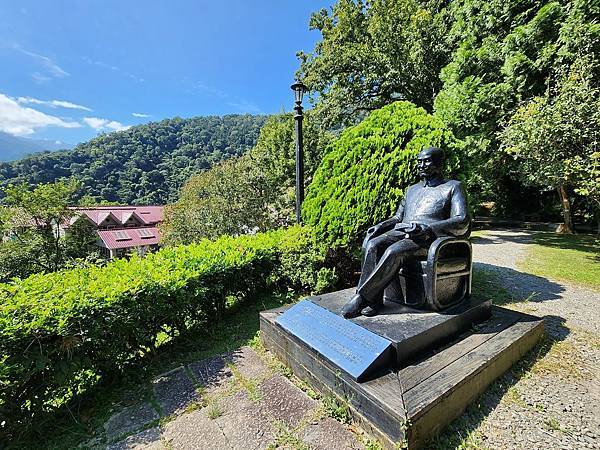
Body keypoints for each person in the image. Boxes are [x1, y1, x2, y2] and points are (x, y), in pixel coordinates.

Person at [341, 146, 470, 318]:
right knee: (373, 244)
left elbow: (462, 219)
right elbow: (397, 217)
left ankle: (361, 297)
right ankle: (375, 301)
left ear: (439, 163)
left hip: (429, 238)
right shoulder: (412, 190)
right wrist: (380, 226)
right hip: (402, 230)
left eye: (426, 161)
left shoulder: (453, 187)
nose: (421, 165)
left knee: (394, 251)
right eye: (419, 162)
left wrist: (430, 229)